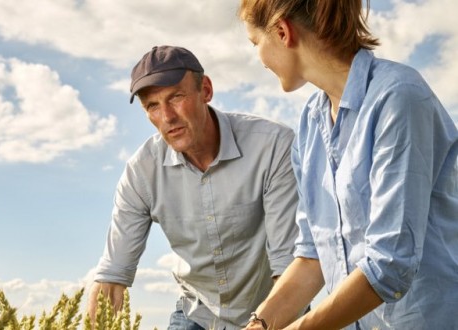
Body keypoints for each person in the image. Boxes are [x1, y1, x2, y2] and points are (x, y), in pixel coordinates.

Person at [238, 0, 458, 329]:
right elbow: (312, 255)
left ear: (283, 32)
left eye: (256, 43)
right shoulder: (310, 124)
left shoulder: (399, 97)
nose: (260, 59)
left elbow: (389, 263)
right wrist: (260, 324)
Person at [86, 45, 300, 330]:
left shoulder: (272, 146)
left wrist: (263, 323)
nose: (167, 117)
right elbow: (112, 276)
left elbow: (287, 264)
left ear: (206, 90)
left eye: (176, 97)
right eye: (152, 106)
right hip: (196, 313)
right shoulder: (141, 172)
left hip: (276, 309)